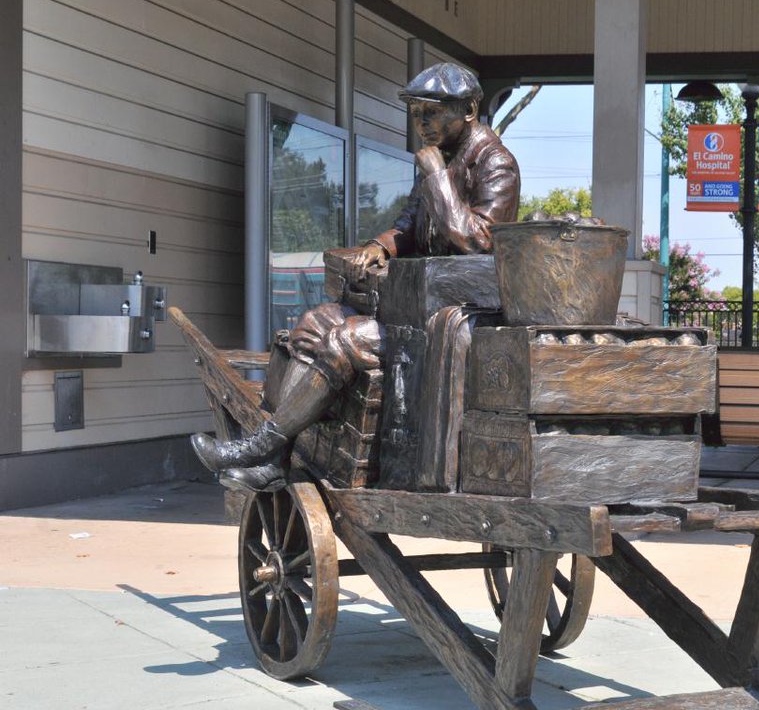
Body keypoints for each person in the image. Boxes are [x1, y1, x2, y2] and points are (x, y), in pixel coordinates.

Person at [191, 62, 519, 490]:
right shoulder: (446, 156)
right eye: (416, 113)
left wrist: (437, 176)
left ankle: (260, 447)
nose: (420, 124)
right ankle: (276, 460)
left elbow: (477, 241)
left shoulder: (495, 164)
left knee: (344, 340)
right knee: (312, 326)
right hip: (413, 305)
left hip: (455, 322)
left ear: (471, 109)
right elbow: (408, 225)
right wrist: (379, 246)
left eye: (431, 113)